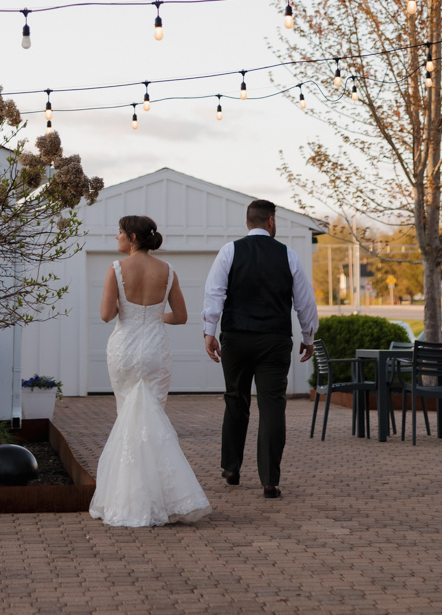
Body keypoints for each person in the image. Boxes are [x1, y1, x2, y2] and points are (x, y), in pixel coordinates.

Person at [89, 214, 212, 528]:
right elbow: (181, 317)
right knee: (152, 420)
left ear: (132, 238)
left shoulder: (116, 269)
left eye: (118, 233)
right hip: (156, 350)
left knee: (128, 419)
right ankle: (168, 500)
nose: (115, 238)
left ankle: (128, 500)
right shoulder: (168, 271)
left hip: (125, 350)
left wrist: (124, 306)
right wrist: (155, 316)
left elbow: (105, 315)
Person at [202, 198, 318, 499]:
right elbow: (305, 301)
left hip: (236, 338)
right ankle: (269, 480)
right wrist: (308, 336)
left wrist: (208, 332)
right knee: (272, 407)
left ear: (247, 222)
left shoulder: (229, 251)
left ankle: (231, 467)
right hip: (274, 340)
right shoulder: (288, 255)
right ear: (270, 222)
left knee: (235, 399)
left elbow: (214, 293)